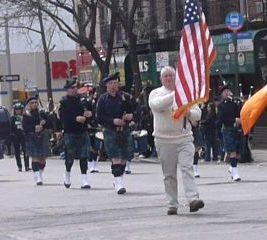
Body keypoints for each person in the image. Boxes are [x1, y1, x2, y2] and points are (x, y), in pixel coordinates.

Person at [148, 66, 204, 215]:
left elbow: (197, 114)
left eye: (171, 76)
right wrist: (177, 95)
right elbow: (158, 105)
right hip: (164, 140)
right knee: (169, 174)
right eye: (165, 76)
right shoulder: (156, 93)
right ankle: (172, 203)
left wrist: (188, 111)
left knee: (187, 168)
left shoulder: (186, 94)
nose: (168, 78)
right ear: (161, 79)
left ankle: (193, 199)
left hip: (184, 138)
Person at [96, 72, 135, 194]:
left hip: (124, 131)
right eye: (111, 83)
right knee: (116, 158)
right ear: (107, 85)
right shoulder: (102, 99)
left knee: (124, 158)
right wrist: (113, 121)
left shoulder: (125, 97)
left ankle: (118, 180)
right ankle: (119, 184)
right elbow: (98, 117)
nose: (113, 86)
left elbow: (138, 109)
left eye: (115, 83)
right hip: (110, 131)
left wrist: (131, 116)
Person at [59, 79, 92, 189]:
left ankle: (84, 179)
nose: (75, 89)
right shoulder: (64, 102)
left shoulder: (82, 101)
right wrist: (75, 119)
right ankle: (67, 174)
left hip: (82, 131)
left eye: (76, 87)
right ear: (68, 89)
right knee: (70, 157)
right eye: (73, 88)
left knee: (84, 156)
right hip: (70, 132)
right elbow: (63, 118)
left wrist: (89, 115)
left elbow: (91, 113)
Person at [24, 95, 54, 185]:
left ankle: (39, 174)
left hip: (43, 136)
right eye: (32, 103)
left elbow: (50, 124)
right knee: (35, 158)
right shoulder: (26, 115)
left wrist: (46, 121)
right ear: (29, 104)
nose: (34, 104)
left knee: (43, 160)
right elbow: (25, 128)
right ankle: (37, 177)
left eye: (35, 102)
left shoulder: (42, 113)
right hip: (32, 137)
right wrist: (34, 128)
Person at [216, 84, 242, 181]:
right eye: (224, 91)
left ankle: (232, 167)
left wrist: (238, 119)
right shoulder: (221, 106)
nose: (227, 92)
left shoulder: (234, 103)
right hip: (227, 129)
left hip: (236, 129)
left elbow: (238, 113)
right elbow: (221, 119)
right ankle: (235, 172)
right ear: (221, 94)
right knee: (233, 151)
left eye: (228, 91)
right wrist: (233, 120)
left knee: (237, 152)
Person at [11, 103, 30, 172]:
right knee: (17, 151)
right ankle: (19, 166)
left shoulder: (25, 117)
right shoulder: (12, 118)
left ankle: (27, 165)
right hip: (15, 136)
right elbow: (11, 127)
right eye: (16, 110)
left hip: (23, 135)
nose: (18, 111)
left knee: (25, 150)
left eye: (19, 109)